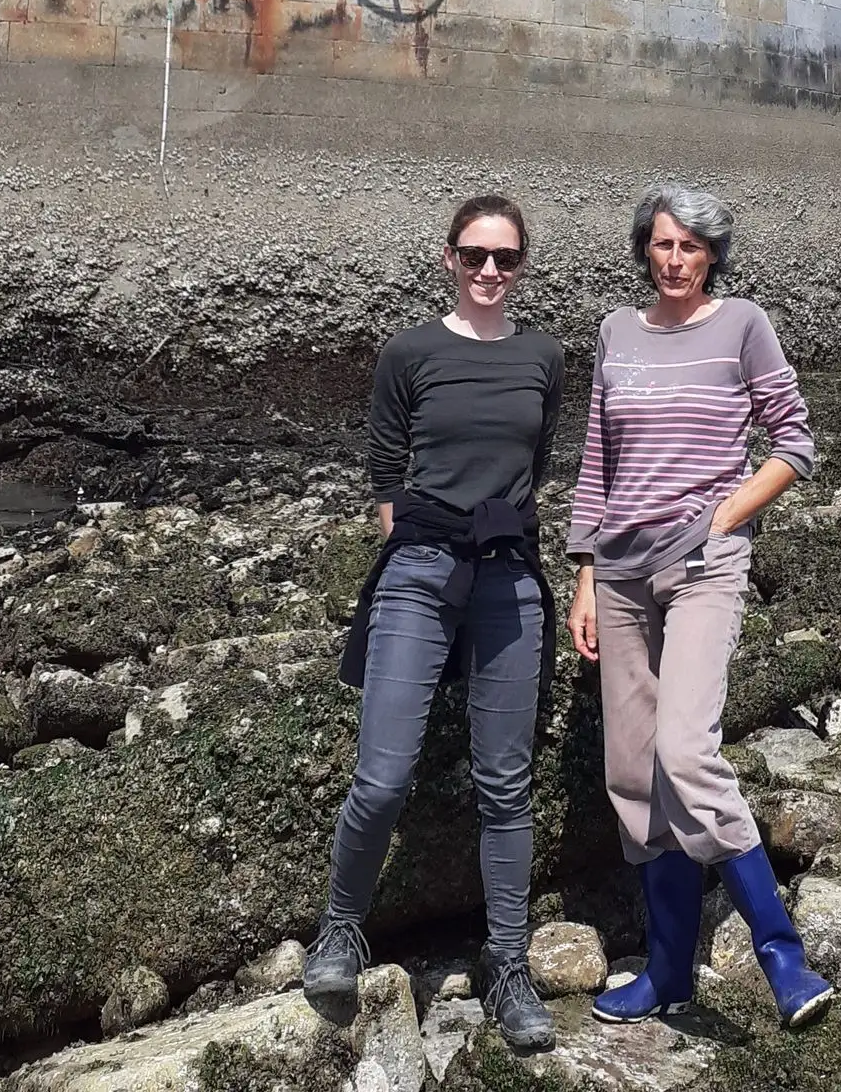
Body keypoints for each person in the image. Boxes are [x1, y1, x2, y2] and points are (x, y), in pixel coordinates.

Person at [565, 184, 834, 1032]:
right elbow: (597, 455)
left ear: (713, 253)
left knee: (686, 750)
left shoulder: (742, 324)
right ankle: (667, 971)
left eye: (690, 246)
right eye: (661, 244)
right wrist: (582, 573)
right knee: (633, 776)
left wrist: (724, 517)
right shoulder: (616, 330)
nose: (674, 259)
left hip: (703, 566)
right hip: (617, 573)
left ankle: (780, 954)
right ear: (644, 248)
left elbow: (795, 441)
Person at [304, 195, 564, 1050]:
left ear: (523, 265)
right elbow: (385, 468)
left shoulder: (543, 356)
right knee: (382, 776)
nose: (491, 272)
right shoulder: (408, 352)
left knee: (505, 786)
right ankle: (340, 925)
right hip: (418, 571)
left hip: (510, 583)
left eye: (506, 259)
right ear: (448, 258)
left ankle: (509, 964)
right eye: (475, 255)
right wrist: (414, 552)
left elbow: (539, 462)